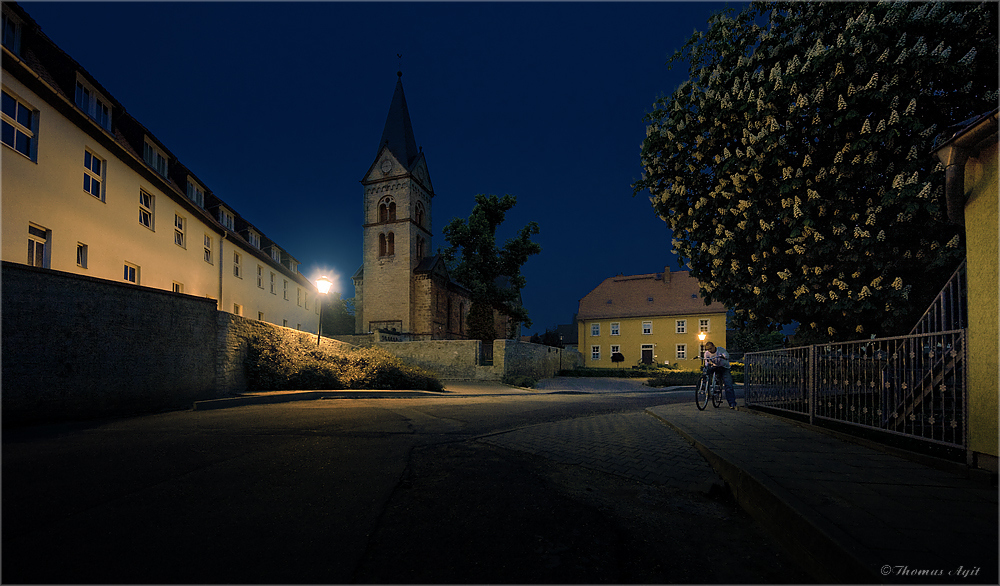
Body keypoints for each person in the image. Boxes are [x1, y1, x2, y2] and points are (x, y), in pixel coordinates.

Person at [704, 341, 736, 409]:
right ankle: (707, 387)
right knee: (707, 372)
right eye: (708, 349)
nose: (709, 351)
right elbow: (706, 362)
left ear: (713, 346)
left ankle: (732, 403)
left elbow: (726, 355)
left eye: (710, 348)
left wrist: (724, 356)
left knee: (728, 385)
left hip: (724, 367)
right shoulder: (707, 353)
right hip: (715, 367)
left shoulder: (720, 349)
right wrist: (707, 366)